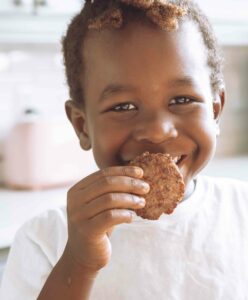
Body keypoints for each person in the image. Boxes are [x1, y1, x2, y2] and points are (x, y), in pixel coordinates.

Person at [1, 0, 248, 299]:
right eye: (123, 106)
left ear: (215, 110)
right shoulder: (45, 239)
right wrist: (78, 262)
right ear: (82, 126)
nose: (158, 130)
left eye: (182, 100)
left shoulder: (241, 212)